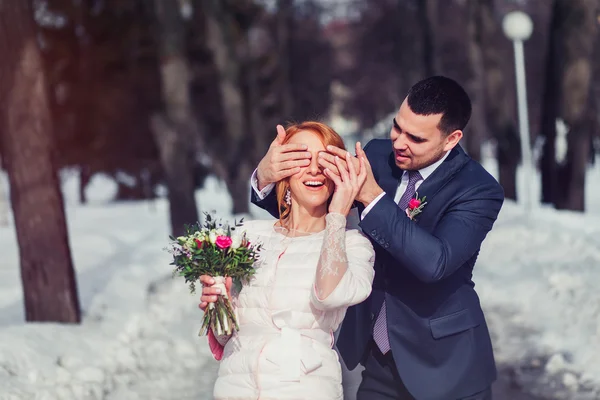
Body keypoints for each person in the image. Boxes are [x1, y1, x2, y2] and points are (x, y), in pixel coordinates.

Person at [251, 76, 505, 400]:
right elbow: (312, 210)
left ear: (451, 139)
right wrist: (265, 177)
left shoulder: (478, 189)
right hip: (378, 361)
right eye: (397, 127)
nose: (399, 142)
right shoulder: (376, 155)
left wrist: (372, 198)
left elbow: (435, 263)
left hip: (448, 366)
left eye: (415, 138)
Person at [198, 121, 376, 400]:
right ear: (283, 170)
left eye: (325, 161)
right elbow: (226, 336)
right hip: (235, 390)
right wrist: (217, 303)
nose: (315, 169)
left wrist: (338, 214)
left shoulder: (351, 244)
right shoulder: (248, 235)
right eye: (302, 159)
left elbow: (329, 295)